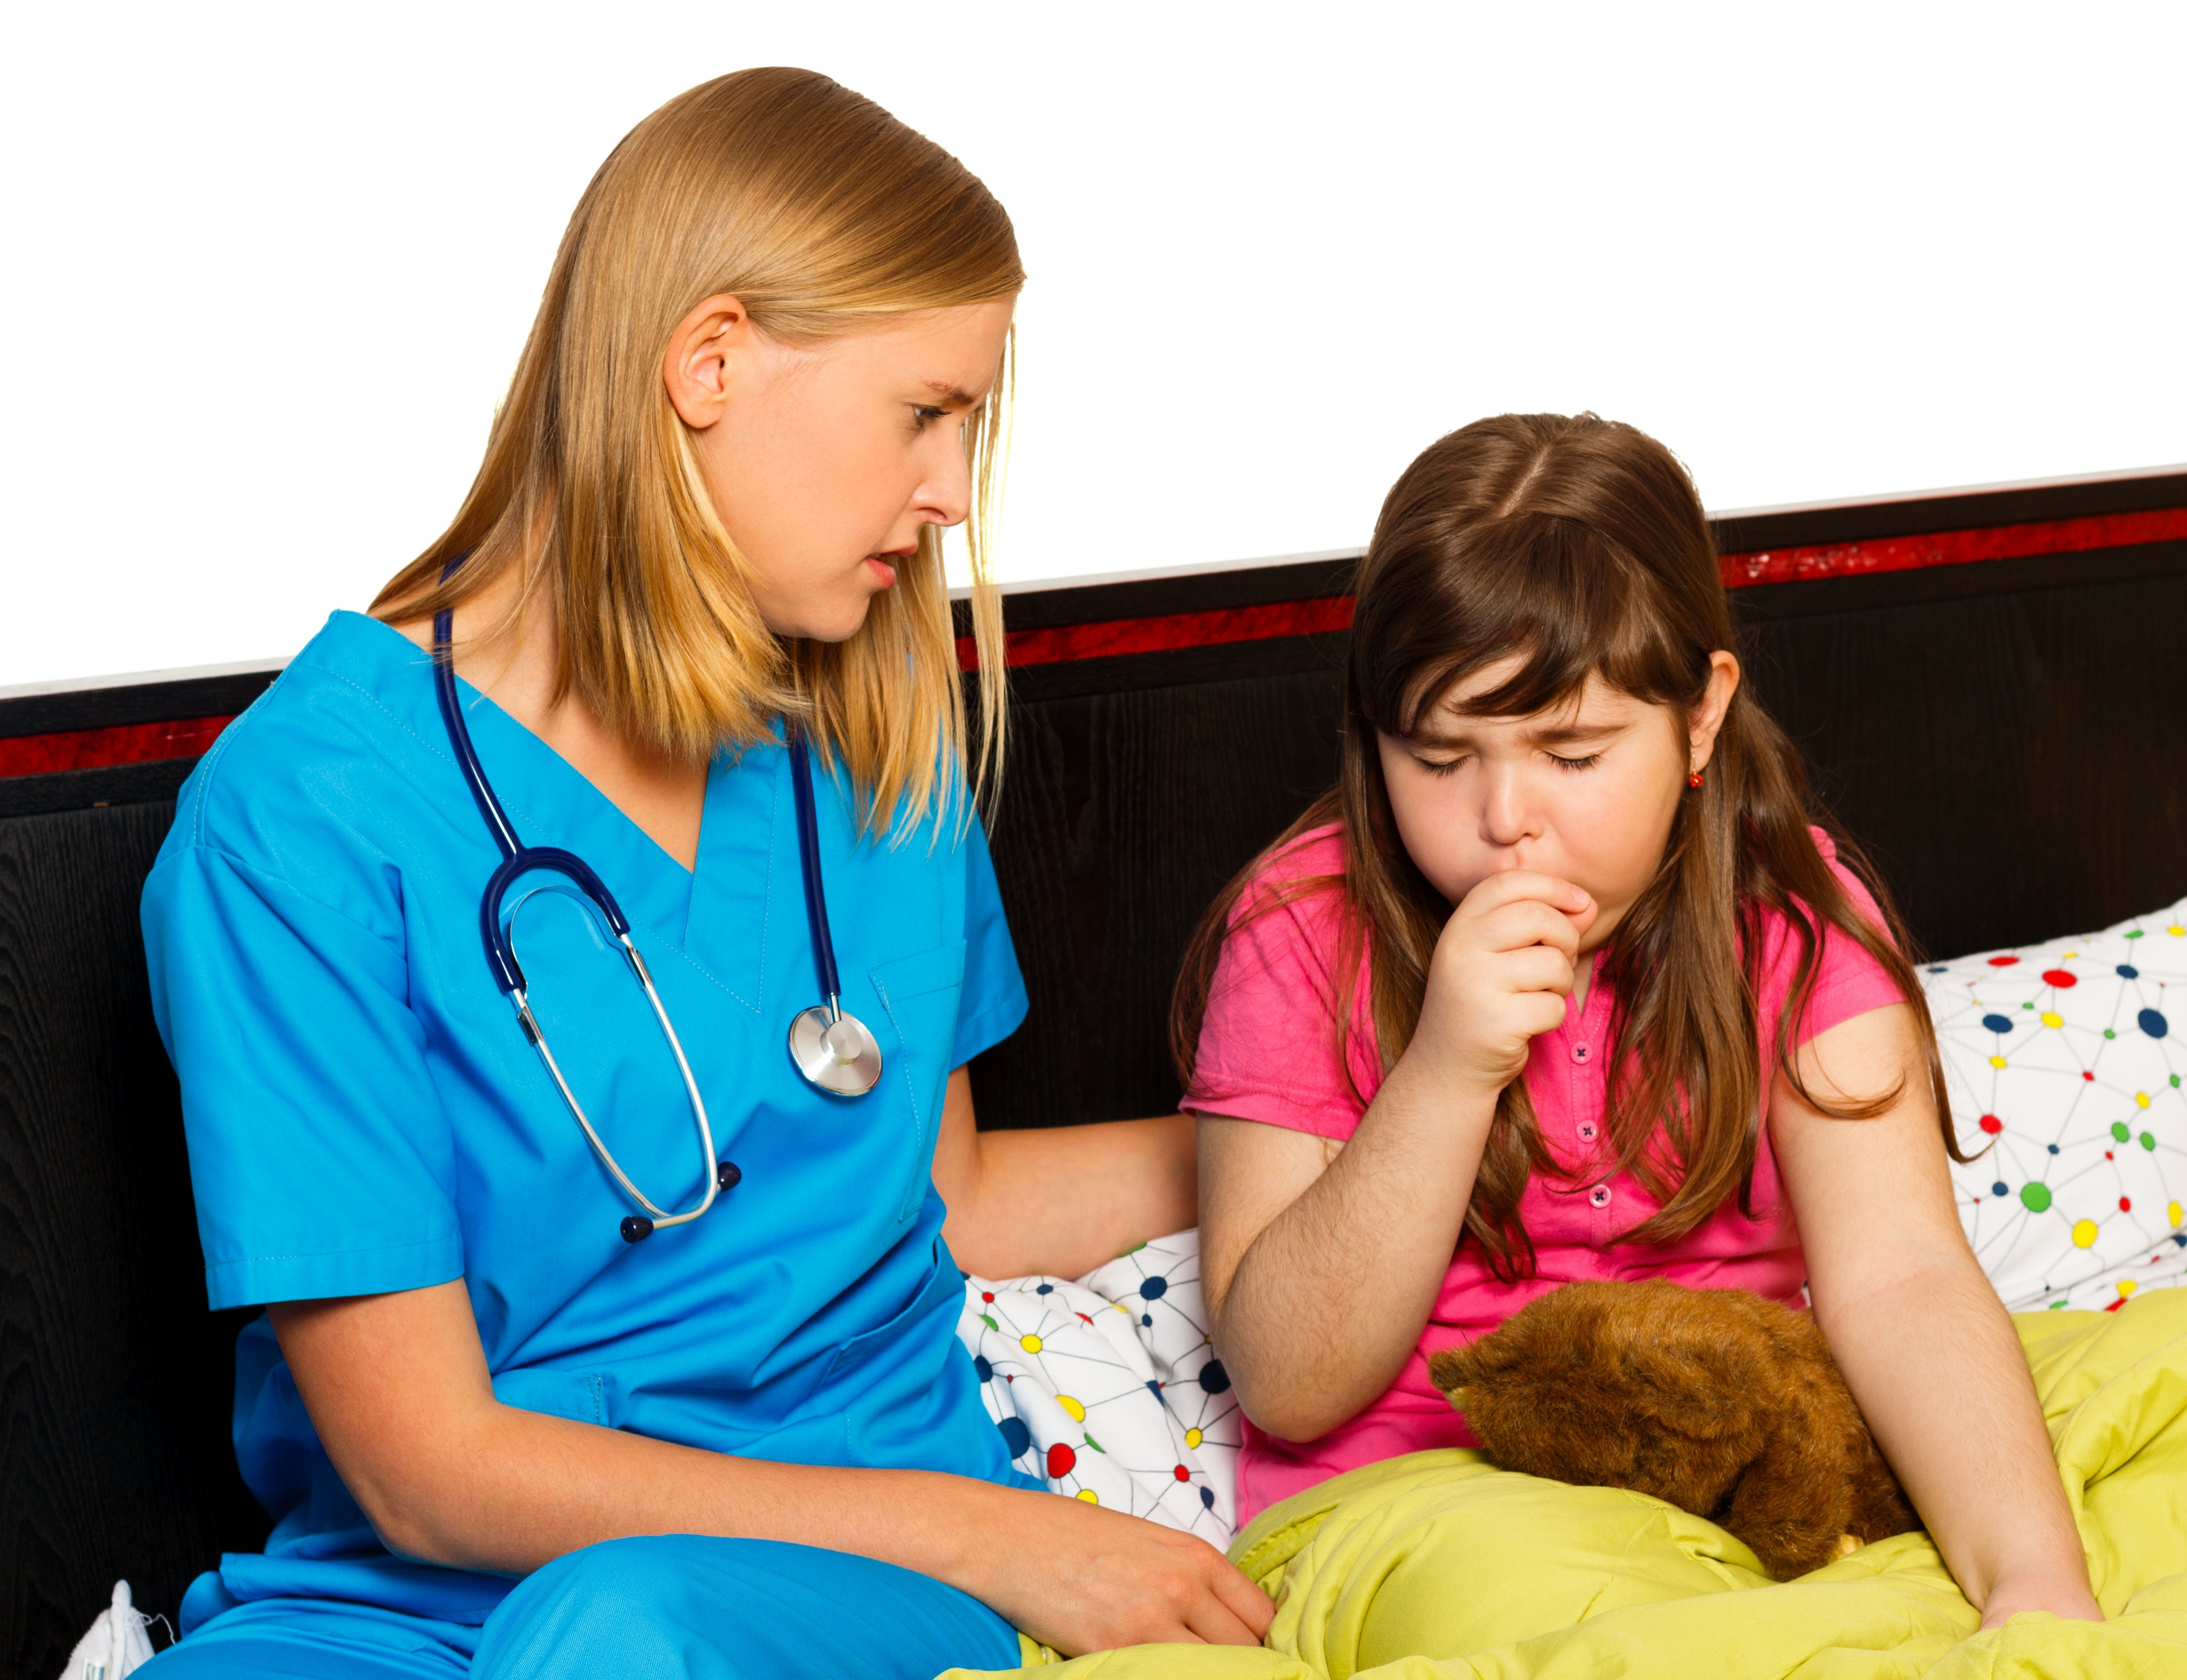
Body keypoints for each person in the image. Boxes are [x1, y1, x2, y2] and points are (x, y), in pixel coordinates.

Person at [140, 68, 1272, 1680]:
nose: (951, 489)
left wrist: (1315, 1133)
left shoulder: (878, 737)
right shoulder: (300, 821)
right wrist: (1010, 1540)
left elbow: (939, 1199)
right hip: (407, 1593)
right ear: (710, 362)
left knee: (617, 1634)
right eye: (925, 411)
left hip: (846, 1548)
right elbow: (422, 1465)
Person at [1180, 412, 2104, 1631]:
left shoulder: (1790, 910)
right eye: (1438, 757)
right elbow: (1288, 1382)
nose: (1504, 816)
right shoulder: (1304, 926)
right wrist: (1448, 1072)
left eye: (1570, 751)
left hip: (1746, 1473)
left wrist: (2031, 1581)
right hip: (1422, 1501)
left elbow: (1903, 1280)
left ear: (1700, 717)